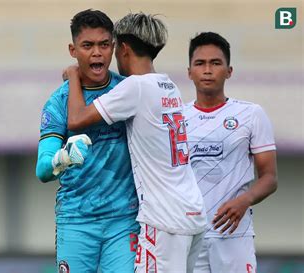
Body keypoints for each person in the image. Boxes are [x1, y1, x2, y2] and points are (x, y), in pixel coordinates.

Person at [65, 12, 206, 273]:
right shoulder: (169, 86)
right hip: (193, 213)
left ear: (125, 48)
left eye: (114, 47)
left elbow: (75, 119)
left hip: (164, 221)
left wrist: (74, 76)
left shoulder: (135, 87)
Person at [35, 9, 139, 273]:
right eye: (87, 45)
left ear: (113, 48)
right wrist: (64, 157)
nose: (97, 53)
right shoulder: (58, 102)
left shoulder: (128, 91)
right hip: (76, 220)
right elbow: (42, 169)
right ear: (73, 50)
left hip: (123, 220)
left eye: (104, 45)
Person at [184, 32, 278, 273]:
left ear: (229, 70)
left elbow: (270, 177)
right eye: (200, 63)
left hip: (235, 235)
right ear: (189, 72)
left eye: (215, 63)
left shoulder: (251, 114)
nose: (207, 70)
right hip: (189, 234)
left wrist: (244, 200)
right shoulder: (177, 119)